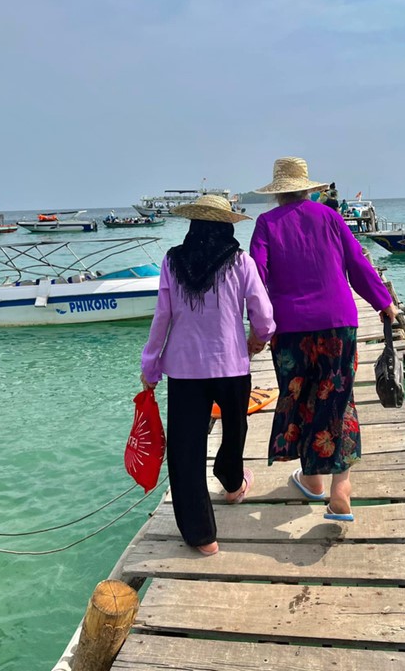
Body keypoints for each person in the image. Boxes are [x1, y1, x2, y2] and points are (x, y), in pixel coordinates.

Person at [249, 157, 398, 521]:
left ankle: (313, 481)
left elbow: (256, 277)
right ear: (307, 187)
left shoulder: (266, 223)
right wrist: (383, 303)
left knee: (299, 397)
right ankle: (340, 488)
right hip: (338, 323)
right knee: (338, 398)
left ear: (277, 193)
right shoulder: (330, 217)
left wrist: (258, 328)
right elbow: (358, 264)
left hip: (290, 329)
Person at [140, 195, 275, 556]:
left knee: (186, 450)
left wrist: (150, 366)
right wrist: (259, 338)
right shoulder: (240, 261)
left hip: (184, 371)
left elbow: (162, 317)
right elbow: (262, 313)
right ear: (226, 226)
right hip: (232, 365)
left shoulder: (173, 261)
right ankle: (232, 485)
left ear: (193, 226)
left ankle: (203, 538)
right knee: (235, 431)